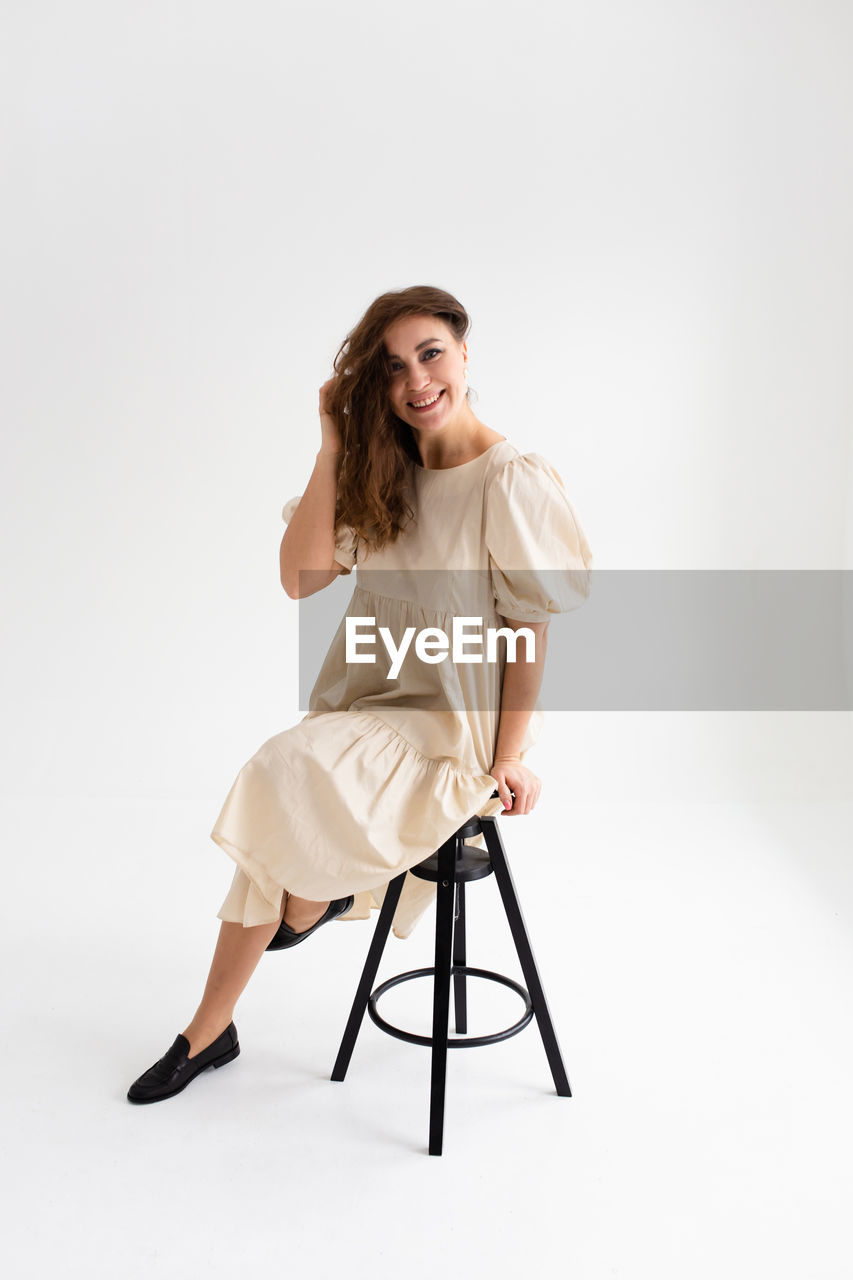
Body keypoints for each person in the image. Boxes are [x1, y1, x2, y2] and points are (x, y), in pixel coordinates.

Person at [126, 284, 593, 1104]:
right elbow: (298, 579)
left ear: (463, 354)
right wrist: (332, 445)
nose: (415, 379)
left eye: (430, 354)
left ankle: (295, 922)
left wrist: (509, 756)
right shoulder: (383, 470)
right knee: (287, 790)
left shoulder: (508, 479)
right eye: (390, 368)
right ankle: (212, 1024)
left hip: (454, 726)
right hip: (369, 708)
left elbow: (529, 628)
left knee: (281, 776)